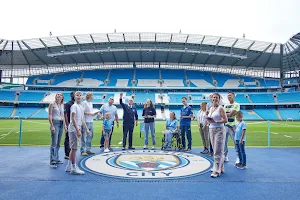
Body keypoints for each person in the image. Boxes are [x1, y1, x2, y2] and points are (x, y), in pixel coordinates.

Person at [65, 91, 90, 175]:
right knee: (74, 149)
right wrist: (77, 130)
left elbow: (82, 120)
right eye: (77, 95)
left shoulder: (81, 107)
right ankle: (73, 167)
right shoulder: (74, 106)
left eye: (80, 95)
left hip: (77, 128)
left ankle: (69, 166)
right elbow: (73, 118)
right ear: (74, 97)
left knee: (73, 148)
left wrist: (86, 129)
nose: (79, 96)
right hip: (73, 129)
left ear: (82, 97)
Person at [207, 93, 228, 178]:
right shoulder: (211, 108)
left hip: (219, 130)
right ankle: (220, 167)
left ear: (219, 99)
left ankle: (217, 170)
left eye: (216, 97)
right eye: (213, 97)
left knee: (217, 150)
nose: (214, 99)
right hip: (211, 129)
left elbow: (225, 120)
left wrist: (216, 121)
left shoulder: (221, 108)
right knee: (215, 149)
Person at [48, 92, 67, 169]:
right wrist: (52, 125)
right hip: (55, 123)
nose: (58, 96)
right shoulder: (52, 104)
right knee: (54, 143)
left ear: (62, 97)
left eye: (60, 95)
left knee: (58, 143)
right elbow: (50, 115)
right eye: (57, 95)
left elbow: (63, 116)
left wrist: (65, 125)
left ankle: (56, 158)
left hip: (61, 123)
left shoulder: (62, 105)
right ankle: (52, 161)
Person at [223, 92, 240, 163]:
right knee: (224, 142)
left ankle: (238, 157)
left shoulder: (236, 104)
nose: (229, 96)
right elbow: (223, 114)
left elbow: (231, 114)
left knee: (235, 142)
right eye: (228, 96)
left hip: (233, 126)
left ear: (233, 96)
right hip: (225, 125)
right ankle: (225, 156)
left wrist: (225, 114)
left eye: (230, 95)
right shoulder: (226, 105)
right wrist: (227, 114)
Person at [64, 92, 75, 160]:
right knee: (68, 138)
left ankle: (71, 153)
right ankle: (67, 154)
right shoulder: (68, 104)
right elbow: (65, 114)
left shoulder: (76, 104)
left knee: (73, 139)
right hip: (70, 123)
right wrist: (67, 124)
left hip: (75, 124)